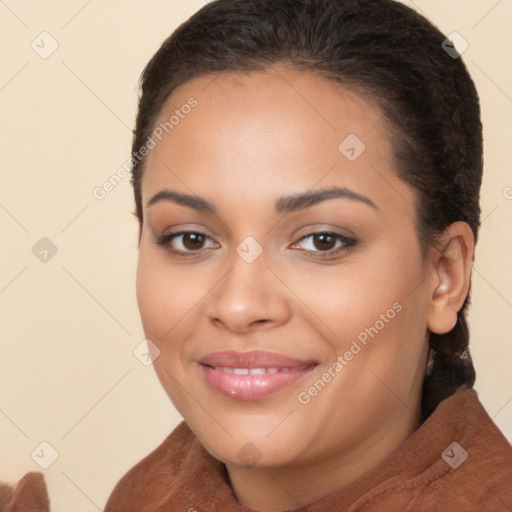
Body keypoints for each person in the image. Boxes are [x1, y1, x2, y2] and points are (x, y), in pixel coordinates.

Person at [99, 0, 511, 511]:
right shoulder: (149, 494)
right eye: (191, 239)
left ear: (445, 275)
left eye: (322, 240)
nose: (239, 305)